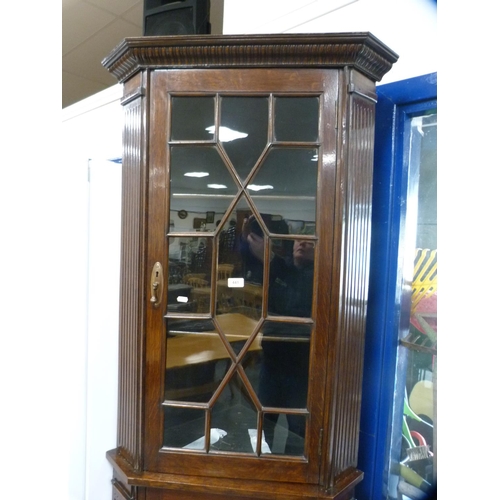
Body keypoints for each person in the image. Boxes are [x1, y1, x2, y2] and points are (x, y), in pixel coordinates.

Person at [241, 216, 314, 455]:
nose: (302, 245)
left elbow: (295, 303)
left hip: (301, 368)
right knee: (266, 424)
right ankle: (270, 469)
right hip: (271, 363)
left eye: (309, 243)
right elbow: (248, 257)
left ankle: (294, 478)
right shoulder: (281, 267)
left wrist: (269, 259)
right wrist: (247, 235)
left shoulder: (319, 277)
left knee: (299, 431)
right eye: (298, 241)